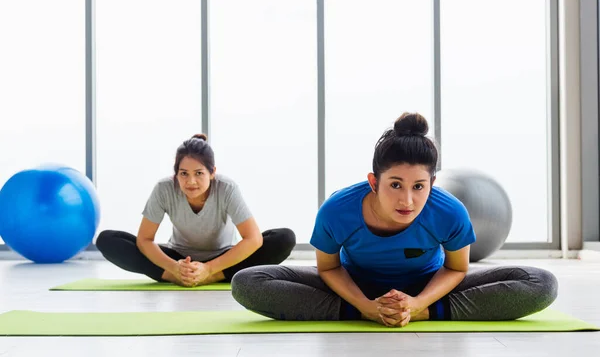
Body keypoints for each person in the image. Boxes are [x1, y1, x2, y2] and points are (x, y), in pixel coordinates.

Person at [231, 113, 558, 326]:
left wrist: (417, 305)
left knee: (540, 283)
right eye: (395, 185)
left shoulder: (449, 211)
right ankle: (361, 312)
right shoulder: (337, 209)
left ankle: (424, 314)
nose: (408, 200)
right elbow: (329, 267)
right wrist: (365, 305)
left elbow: (457, 268)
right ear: (374, 182)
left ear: (432, 183)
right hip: (354, 286)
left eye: (419, 186)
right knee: (248, 282)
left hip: (428, 288)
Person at [96, 134, 296, 287]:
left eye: (199, 173)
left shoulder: (227, 188)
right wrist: (174, 267)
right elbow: (144, 239)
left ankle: (209, 278)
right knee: (108, 239)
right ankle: (179, 276)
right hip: (177, 258)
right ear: (176, 174)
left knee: (284, 238)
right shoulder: (164, 189)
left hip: (222, 261)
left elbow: (253, 239)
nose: (191, 181)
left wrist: (208, 269)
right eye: (183, 174)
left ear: (212, 173)